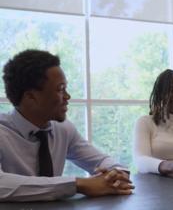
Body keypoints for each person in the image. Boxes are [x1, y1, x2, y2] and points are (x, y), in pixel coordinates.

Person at [0, 49, 133, 202]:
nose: (68, 96)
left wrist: (117, 173)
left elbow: (102, 161)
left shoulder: (63, 129)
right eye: (60, 89)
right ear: (31, 97)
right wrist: (78, 184)